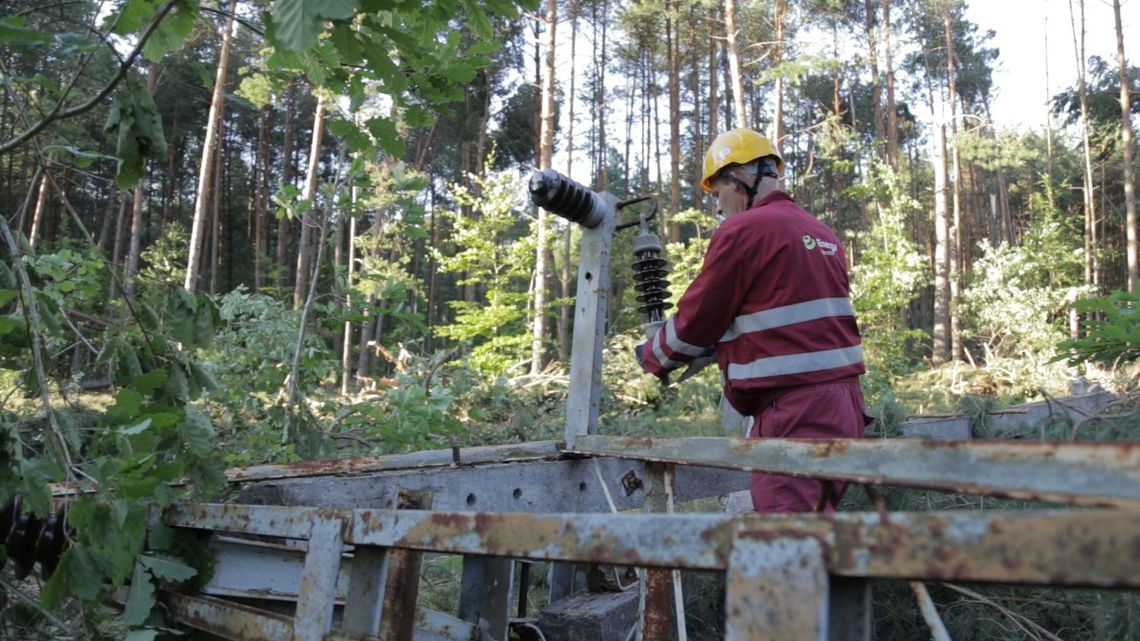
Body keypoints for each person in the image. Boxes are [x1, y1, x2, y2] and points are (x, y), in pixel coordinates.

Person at [636, 128, 870, 513]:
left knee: (784, 546)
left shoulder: (744, 230)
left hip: (796, 414)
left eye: (717, 194)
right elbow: (785, 320)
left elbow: (699, 316)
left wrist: (653, 356)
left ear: (740, 179)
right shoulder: (821, 233)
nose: (719, 206)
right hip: (845, 409)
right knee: (814, 534)